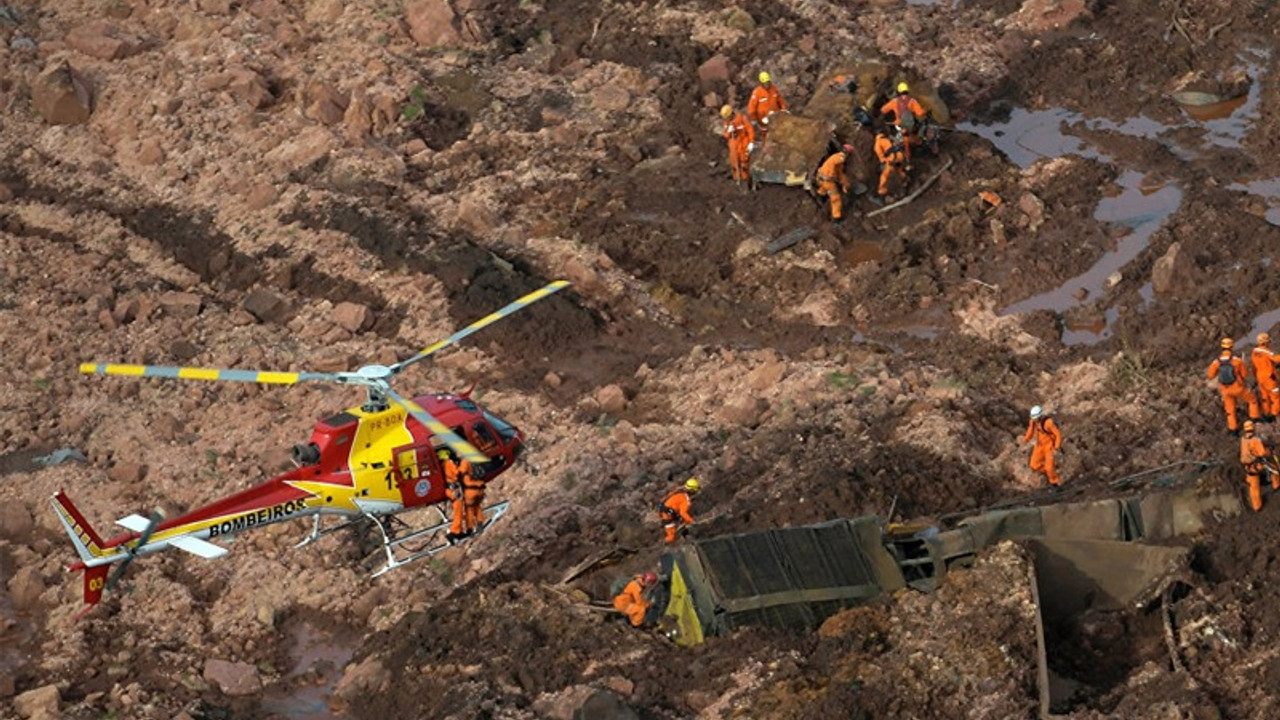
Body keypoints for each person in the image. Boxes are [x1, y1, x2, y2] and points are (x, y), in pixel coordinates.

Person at [1207, 337, 1260, 435]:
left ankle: (1233, 430)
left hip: (1225, 390)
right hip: (1238, 388)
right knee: (1252, 400)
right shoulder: (1237, 361)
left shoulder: (1216, 362)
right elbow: (1245, 374)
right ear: (1231, 347)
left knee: (1230, 410)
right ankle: (1254, 419)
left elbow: (1210, 375)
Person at [879, 81, 927, 165]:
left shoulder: (894, 101)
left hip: (899, 126)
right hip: (910, 126)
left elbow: (883, 110)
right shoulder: (912, 101)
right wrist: (924, 110)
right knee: (916, 137)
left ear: (898, 92)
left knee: (905, 143)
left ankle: (907, 160)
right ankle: (919, 146)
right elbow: (920, 113)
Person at [1022, 405, 1063, 488]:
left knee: (1050, 468)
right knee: (1034, 465)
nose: (1034, 420)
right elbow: (1030, 430)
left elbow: (1058, 434)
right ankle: (1049, 473)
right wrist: (1026, 439)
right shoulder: (1033, 421)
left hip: (1049, 446)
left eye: (1035, 418)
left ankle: (1055, 482)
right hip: (1039, 446)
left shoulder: (1048, 423)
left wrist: (1056, 447)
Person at [1240, 420, 1276, 512]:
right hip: (1257, 465)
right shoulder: (1255, 440)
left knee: (1253, 487)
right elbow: (1262, 453)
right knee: (1274, 469)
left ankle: (1256, 506)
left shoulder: (1243, 439)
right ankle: (1276, 485)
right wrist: (1270, 451)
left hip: (1248, 467)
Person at [441, 448, 475, 543]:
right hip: (454, 490)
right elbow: (457, 474)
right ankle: (454, 532)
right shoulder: (449, 463)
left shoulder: (444, 464)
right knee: (458, 512)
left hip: (451, 490)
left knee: (458, 511)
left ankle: (458, 531)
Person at [815, 146, 853, 223]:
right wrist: (831, 176)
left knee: (823, 188)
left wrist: (845, 184)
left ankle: (821, 196)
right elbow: (833, 165)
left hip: (820, 178)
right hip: (827, 181)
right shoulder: (840, 158)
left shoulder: (836, 158)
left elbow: (840, 174)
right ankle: (837, 217)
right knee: (836, 198)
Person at [871, 126, 907, 206]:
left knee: (884, 177)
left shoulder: (878, 142)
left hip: (891, 160)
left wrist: (883, 162)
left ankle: (881, 196)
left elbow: (880, 156)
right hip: (900, 156)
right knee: (900, 171)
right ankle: (904, 188)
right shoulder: (888, 137)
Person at [747, 71, 787, 143]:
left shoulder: (773, 89)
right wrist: (754, 119)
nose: (767, 84)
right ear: (761, 83)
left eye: (768, 82)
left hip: (775, 115)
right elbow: (751, 107)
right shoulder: (757, 93)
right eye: (765, 83)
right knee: (766, 133)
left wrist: (783, 108)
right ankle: (766, 146)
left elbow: (780, 99)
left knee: (780, 131)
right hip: (763, 119)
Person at [658, 477, 700, 544]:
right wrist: (692, 521)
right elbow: (683, 513)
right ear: (693, 491)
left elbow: (668, 496)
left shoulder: (679, 490)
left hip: (663, 508)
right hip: (667, 515)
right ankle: (662, 544)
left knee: (682, 521)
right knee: (671, 537)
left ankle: (685, 534)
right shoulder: (686, 501)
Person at [720, 104, 755, 184]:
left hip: (743, 145)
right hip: (733, 147)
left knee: (744, 164)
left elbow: (750, 130)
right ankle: (737, 180)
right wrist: (728, 132)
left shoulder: (742, 119)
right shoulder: (727, 123)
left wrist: (751, 142)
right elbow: (725, 135)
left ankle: (745, 181)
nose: (727, 119)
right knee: (735, 164)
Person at [1252, 332, 1279, 422]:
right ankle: (1274, 414)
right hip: (1269, 378)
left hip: (1260, 378)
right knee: (1276, 397)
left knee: (1265, 397)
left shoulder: (1254, 352)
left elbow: (1253, 367)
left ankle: (1266, 413)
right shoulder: (1266, 351)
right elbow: (1275, 359)